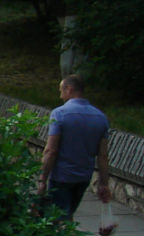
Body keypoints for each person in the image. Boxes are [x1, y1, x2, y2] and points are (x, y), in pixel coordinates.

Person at [38, 74, 111, 218]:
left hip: (61, 176)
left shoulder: (59, 114)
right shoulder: (101, 118)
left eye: (61, 91)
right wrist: (104, 183)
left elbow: (51, 150)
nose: (60, 96)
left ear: (69, 89)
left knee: (58, 219)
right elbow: (102, 155)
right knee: (68, 214)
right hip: (83, 177)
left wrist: (42, 180)